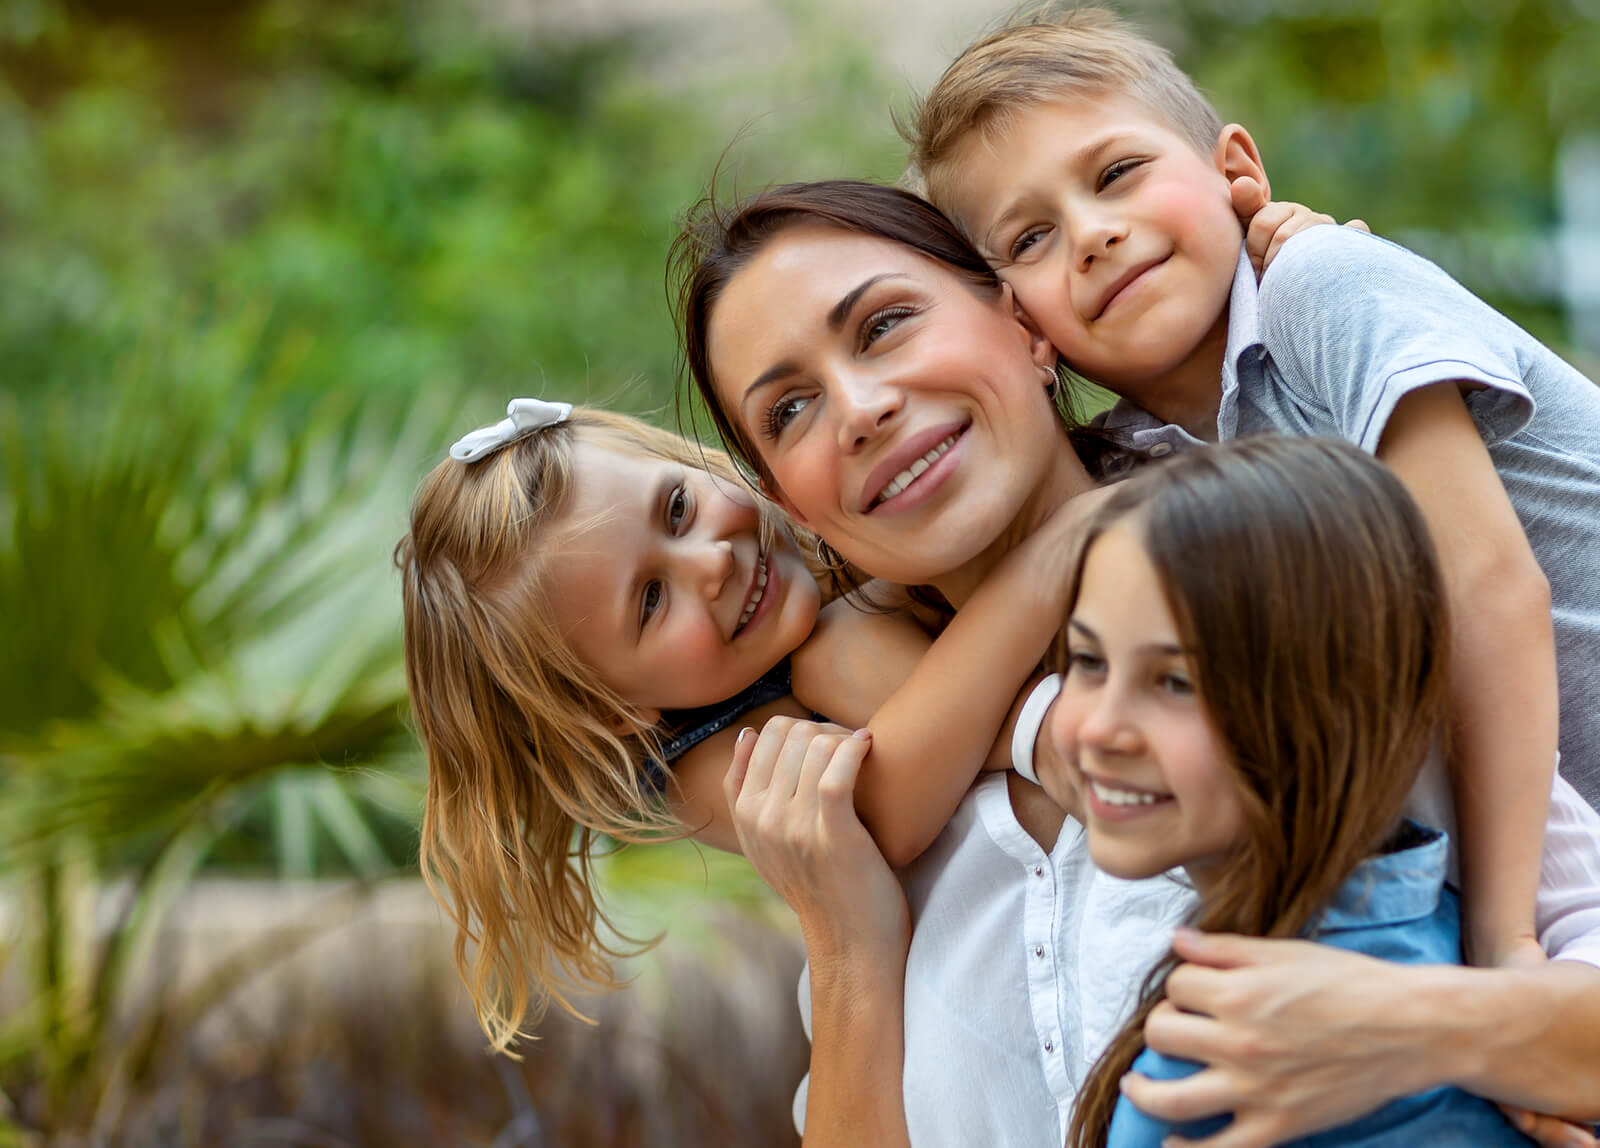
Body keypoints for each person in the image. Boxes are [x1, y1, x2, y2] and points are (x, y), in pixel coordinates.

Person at [674, 177, 1600, 1147]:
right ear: (793, 503)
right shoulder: (867, 829)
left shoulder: (1289, 602)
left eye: (884, 325)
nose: (859, 408)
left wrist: (1415, 1026)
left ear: (1026, 329)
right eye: (788, 410)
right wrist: (849, 952)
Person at [907, 5, 1600, 990]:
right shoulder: (1135, 479)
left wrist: (1501, 942)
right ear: (1020, 318)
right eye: (1030, 236)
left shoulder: (1320, 288)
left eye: (1115, 175)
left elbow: (1489, 589)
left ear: (1237, 169)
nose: (1094, 235)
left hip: (1537, 891)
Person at [396, 399, 1093, 1053]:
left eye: (676, 508)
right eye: (650, 601)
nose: (712, 561)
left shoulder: (843, 529)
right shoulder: (694, 772)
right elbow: (886, 809)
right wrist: (1051, 562)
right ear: (613, 709)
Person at [1037, 435, 1528, 1146]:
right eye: (1087, 660)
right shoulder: (1435, 933)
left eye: (1176, 681)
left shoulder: (1235, 1061)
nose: (1101, 729)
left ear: (1335, 702)